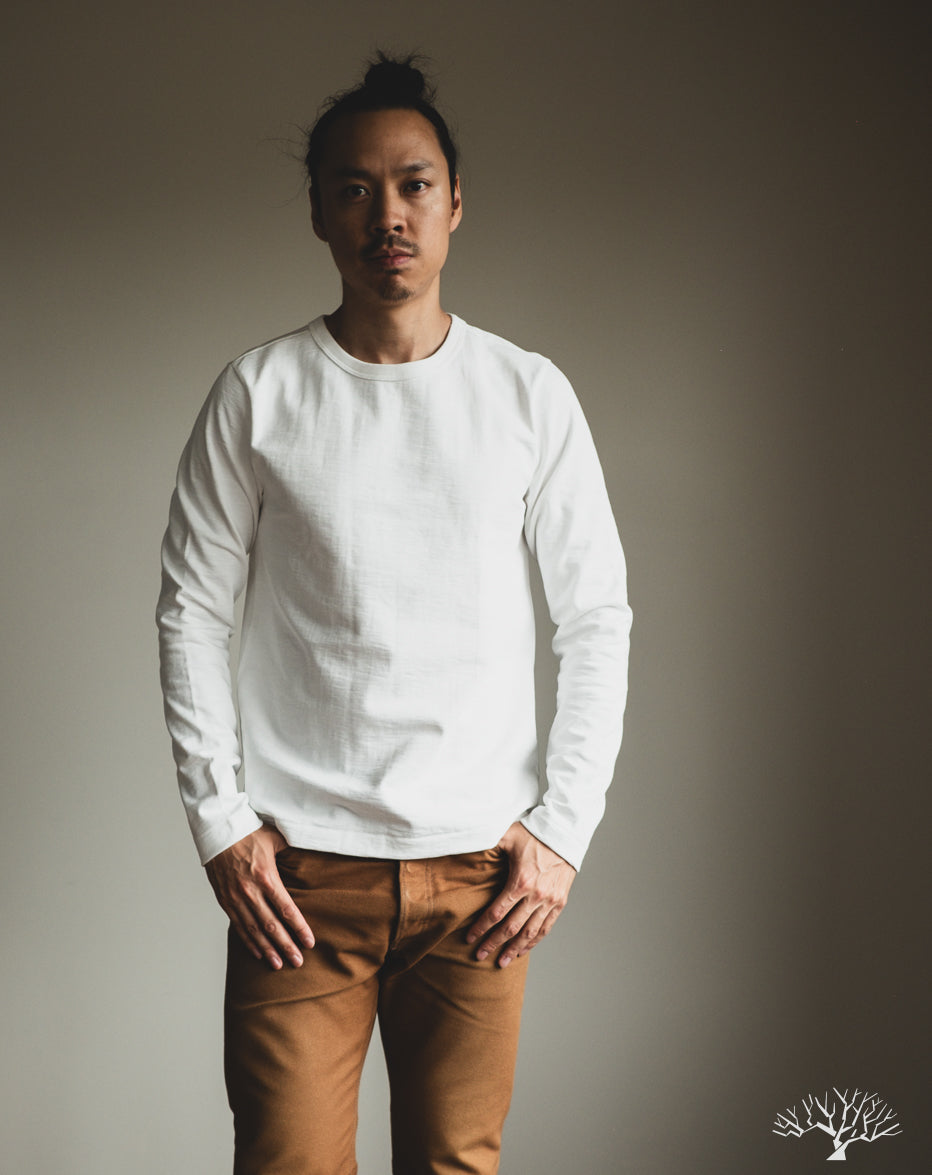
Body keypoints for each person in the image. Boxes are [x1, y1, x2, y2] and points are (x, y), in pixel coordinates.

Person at [157, 52, 631, 1175]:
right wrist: (220, 822)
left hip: (480, 879)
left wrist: (563, 831)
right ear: (319, 212)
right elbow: (190, 613)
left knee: (456, 1165)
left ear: (455, 203)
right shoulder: (258, 394)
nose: (388, 215)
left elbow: (596, 617)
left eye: (414, 185)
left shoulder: (526, 394)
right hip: (298, 880)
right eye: (355, 189)